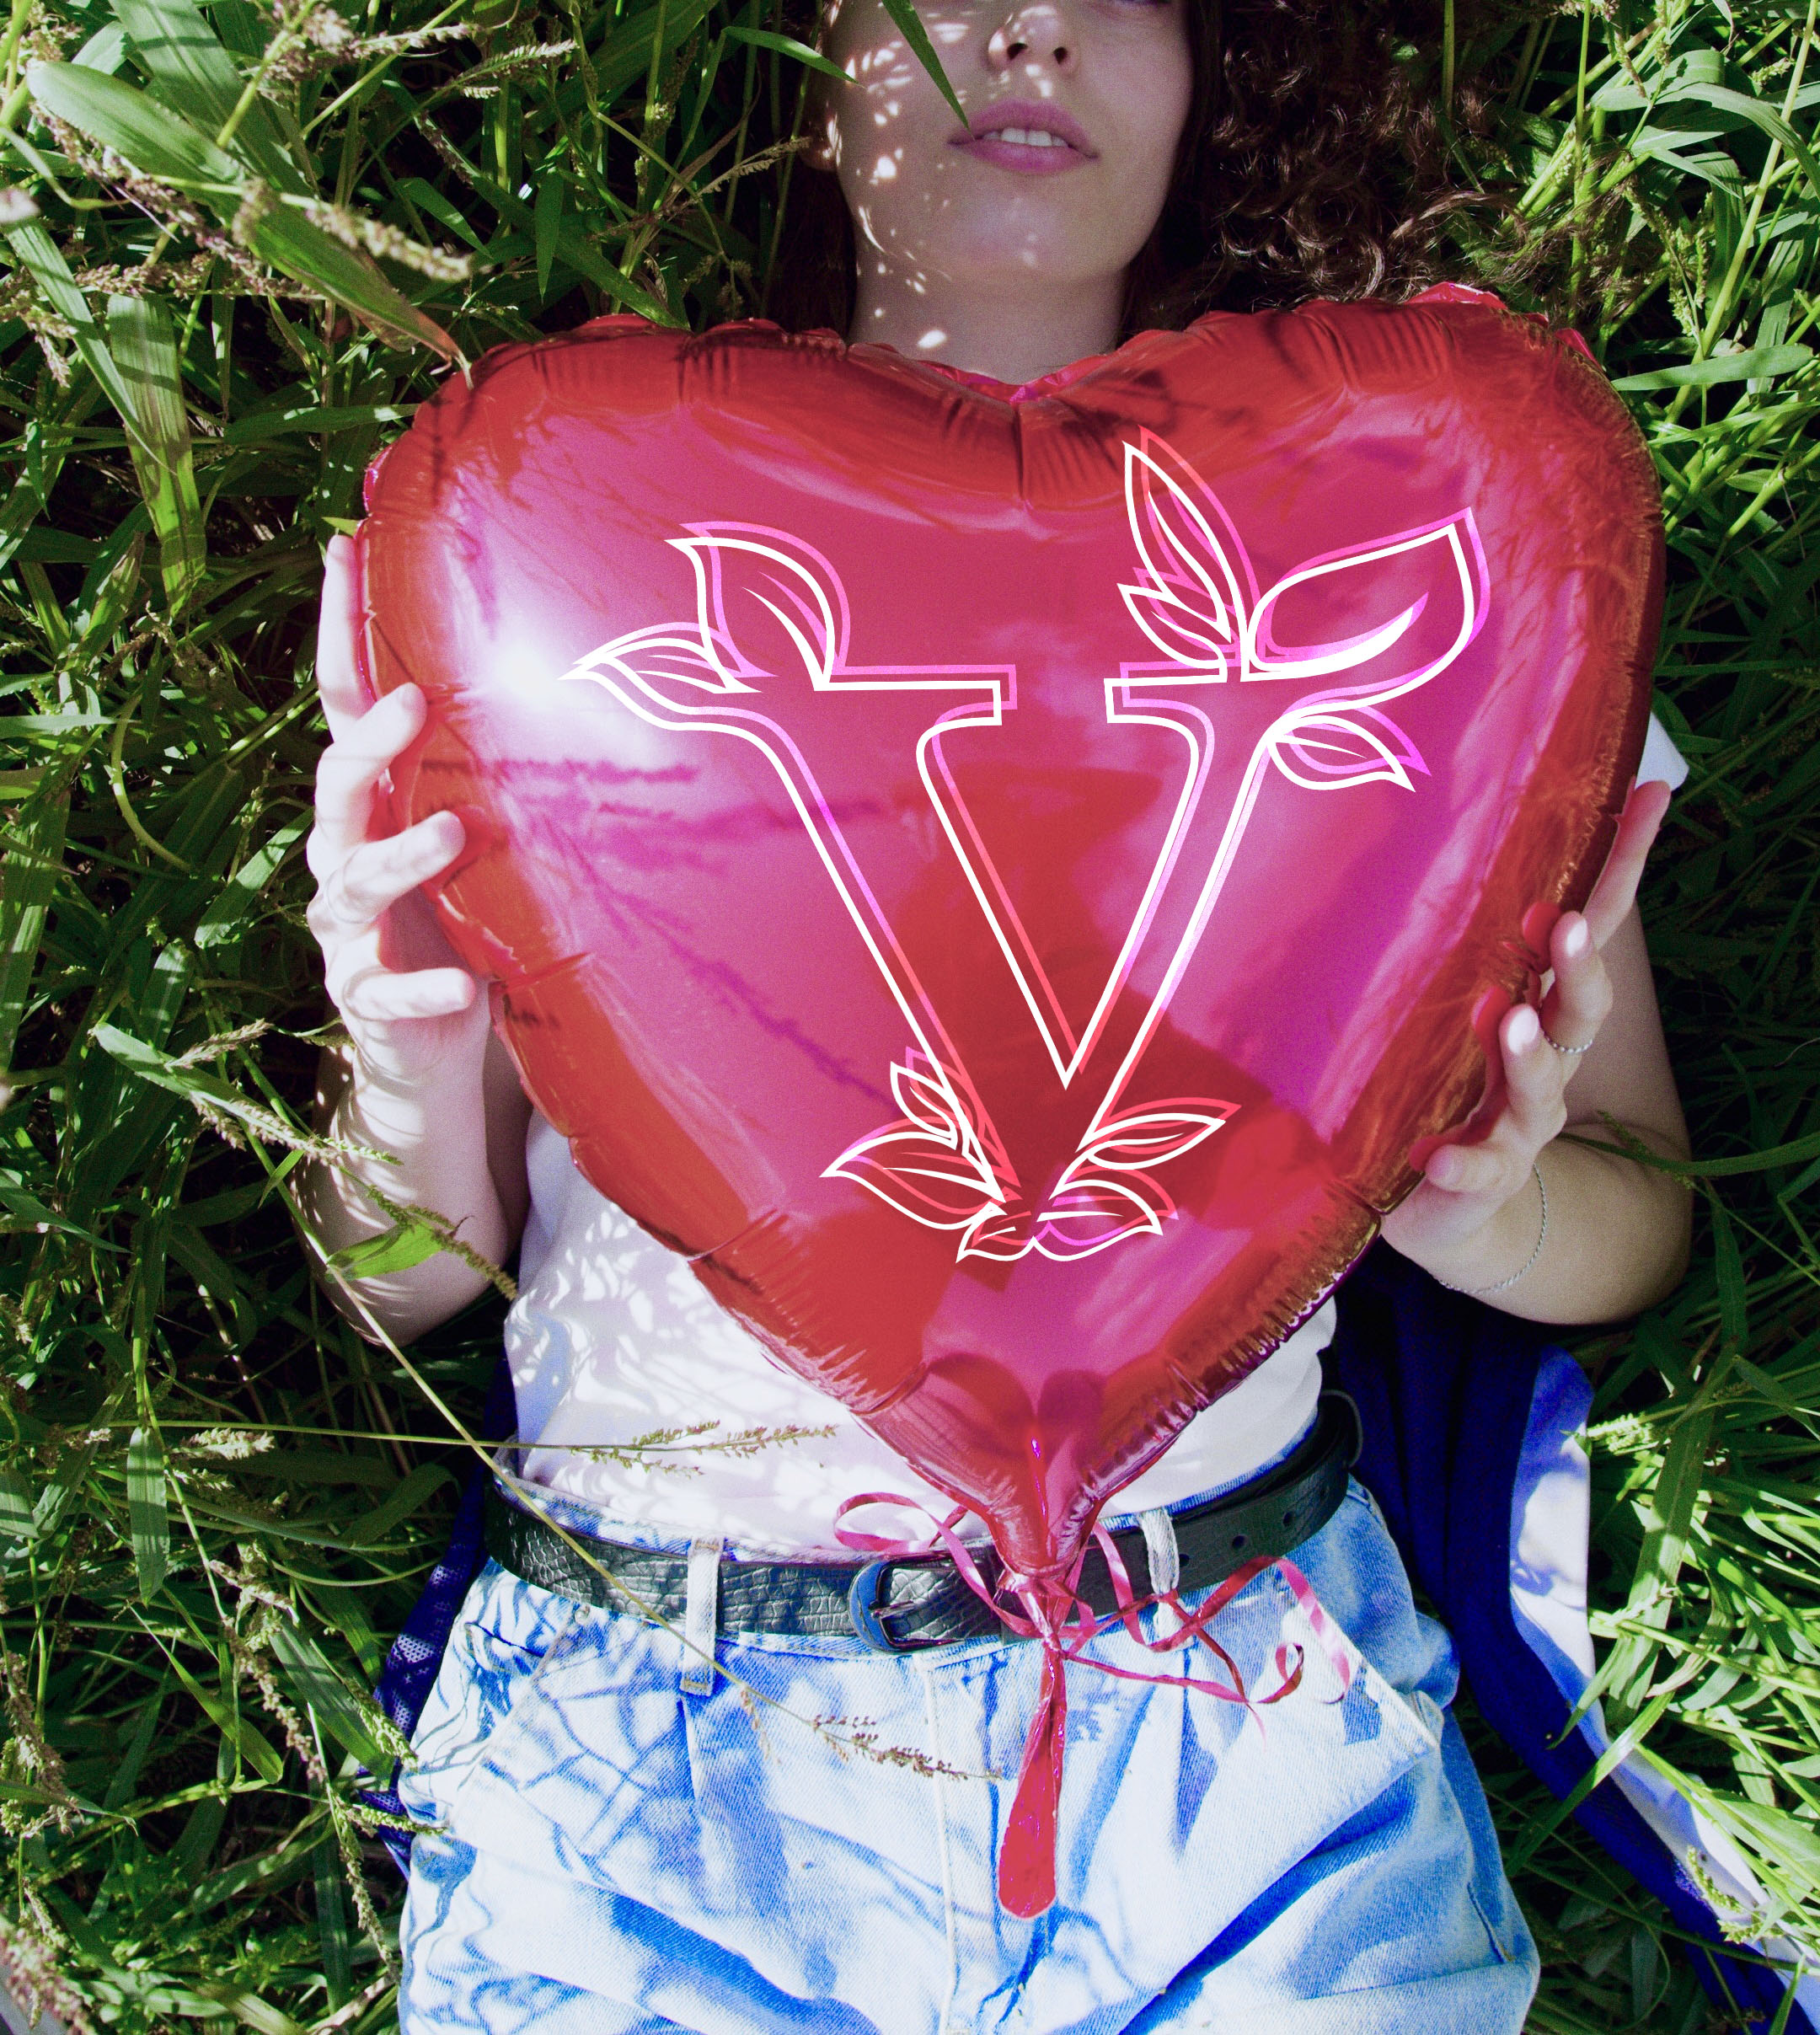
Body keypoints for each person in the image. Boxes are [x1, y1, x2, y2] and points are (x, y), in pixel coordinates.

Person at [302, 2, 1694, 2027]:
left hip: (1245, 1732)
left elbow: (1638, 1209)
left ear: (1223, 63)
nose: (1028, 25)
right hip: (644, 1768)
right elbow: (398, 1282)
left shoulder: (1442, 554)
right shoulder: (561, 554)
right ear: (808, 55)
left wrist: (1477, 1202)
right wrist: (403, 1072)